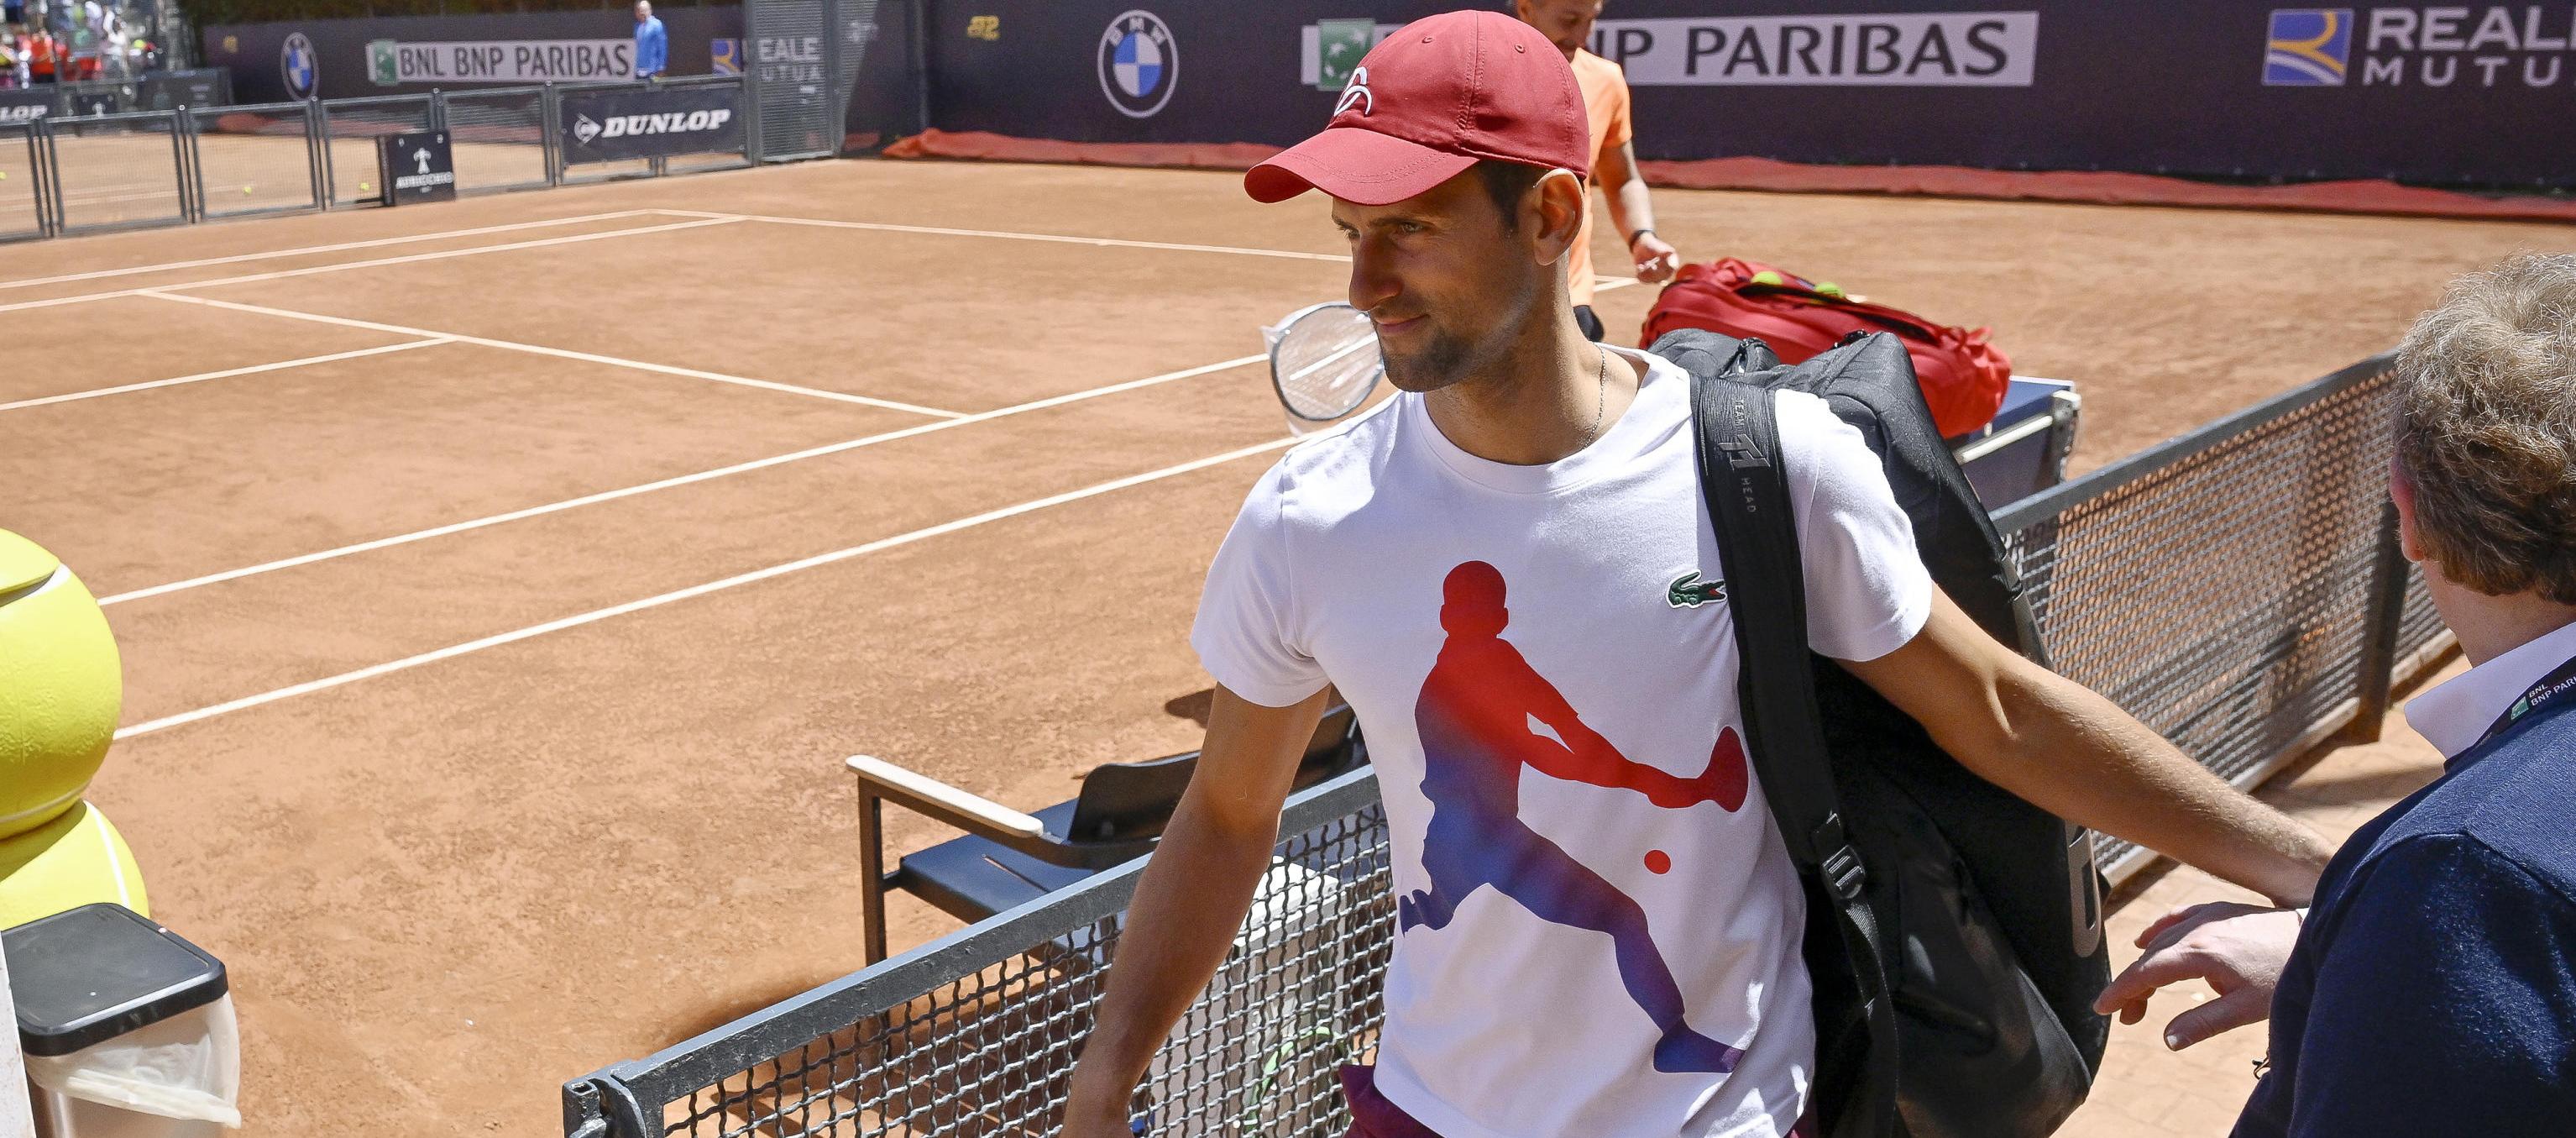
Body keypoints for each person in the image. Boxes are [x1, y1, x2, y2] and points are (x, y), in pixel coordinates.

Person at [1057, 12, 2333, 1138]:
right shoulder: (1311, 518)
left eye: (1409, 230)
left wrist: (2315, 871)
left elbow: (1989, 704)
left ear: (1553, 215)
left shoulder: (1773, 465)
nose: (1362, 282)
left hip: (1730, 1114)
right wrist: (1106, 1079)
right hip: (1430, 1111)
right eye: (1349, 232)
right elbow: (1229, 811)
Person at [2094, 252, 2576, 1135]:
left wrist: (2407, 950)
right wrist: (2356, 959)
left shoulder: (2466, 874)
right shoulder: (2462, 891)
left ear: (2407, 509)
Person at [1513, 0, 1680, 343]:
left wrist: (1641, 237)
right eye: (1570, 19)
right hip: (1485, 299)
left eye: (1590, 21)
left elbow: (1622, 179)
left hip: (1569, 299)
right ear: (1526, 9)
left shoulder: (1607, 80)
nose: (1581, 35)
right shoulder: (1478, 76)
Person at [632, 0, 667, 81]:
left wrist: (661, 68)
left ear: (650, 10)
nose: (641, 13)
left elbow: (662, 48)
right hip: (638, 71)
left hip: (653, 71)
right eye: (639, 10)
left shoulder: (657, 25)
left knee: (654, 93)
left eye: (644, 10)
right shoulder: (636, 27)